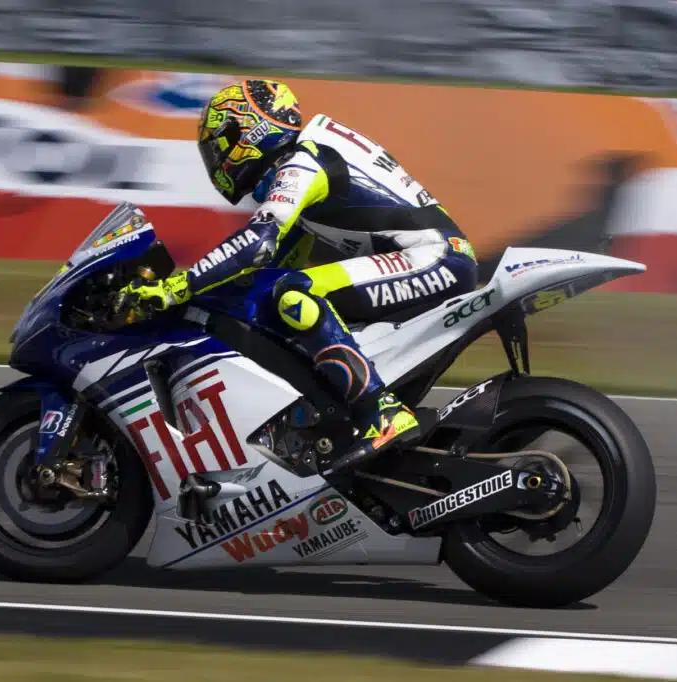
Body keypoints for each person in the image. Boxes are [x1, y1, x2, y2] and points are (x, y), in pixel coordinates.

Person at [119, 79, 478, 474]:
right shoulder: (305, 159)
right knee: (279, 297)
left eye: (219, 146)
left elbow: (258, 243)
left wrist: (177, 288)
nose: (217, 161)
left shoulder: (304, 161)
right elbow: (269, 265)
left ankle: (382, 412)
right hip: (426, 257)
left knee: (295, 294)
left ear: (247, 131)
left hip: (434, 257)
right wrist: (201, 298)